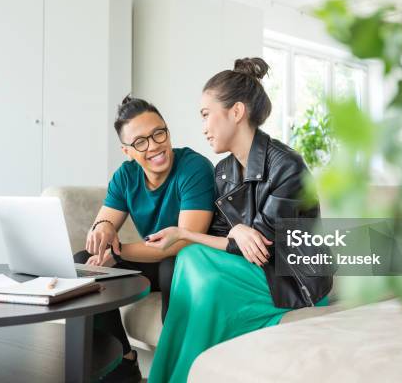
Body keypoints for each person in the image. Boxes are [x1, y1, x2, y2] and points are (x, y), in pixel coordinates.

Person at [142, 58, 333, 383]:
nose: (203, 127)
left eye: (206, 114)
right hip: (254, 271)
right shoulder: (224, 172)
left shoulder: (288, 166)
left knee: (198, 262)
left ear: (236, 112)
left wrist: (190, 232)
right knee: (189, 258)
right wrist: (234, 232)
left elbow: (261, 247)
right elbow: (224, 241)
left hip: (292, 281)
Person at [74, 95, 216, 383]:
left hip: (192, 261)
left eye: (158, 133)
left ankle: (175, 367)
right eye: (140, 142)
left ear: (167, 131)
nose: (153, 146)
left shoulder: (194, 167)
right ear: (127, 151)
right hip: (154, 259)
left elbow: (183, 243)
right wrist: (102, 230)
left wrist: (120, 249)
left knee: (173, 266)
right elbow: (105, 221)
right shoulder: (126, 176)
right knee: (83, 265)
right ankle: (124, 362)